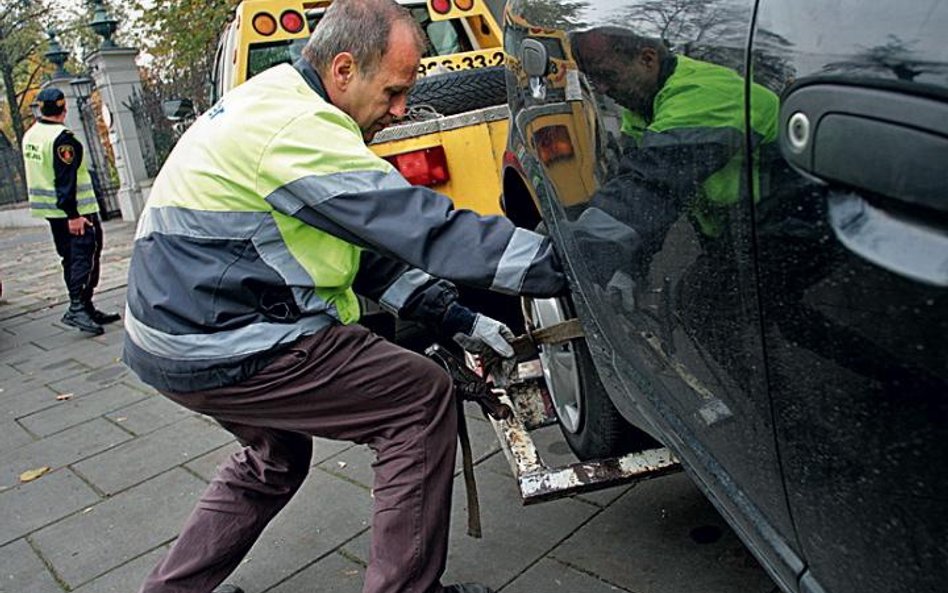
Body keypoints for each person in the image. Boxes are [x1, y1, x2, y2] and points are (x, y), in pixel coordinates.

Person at [122, 1, 565, 593]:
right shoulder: (298, 130)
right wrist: (562, 267)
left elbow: (358, 249)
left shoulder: (274, 98)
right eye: (395, 90)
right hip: (224, 339)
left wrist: (450, 313)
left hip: (169, 336)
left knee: (274, 456)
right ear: (344, 70)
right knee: (417, 399)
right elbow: (418, 224)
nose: (403, 108)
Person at [21, 87, 121, 335]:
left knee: (70, 259)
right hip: (76, 212)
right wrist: (74, 216)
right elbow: (65, 180)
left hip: (53, 213)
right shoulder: (62, 139)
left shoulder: (32, 136)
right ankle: (77, 307)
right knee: (85, 258)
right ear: (63, 109)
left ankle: (85, 307)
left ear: (41, 109)